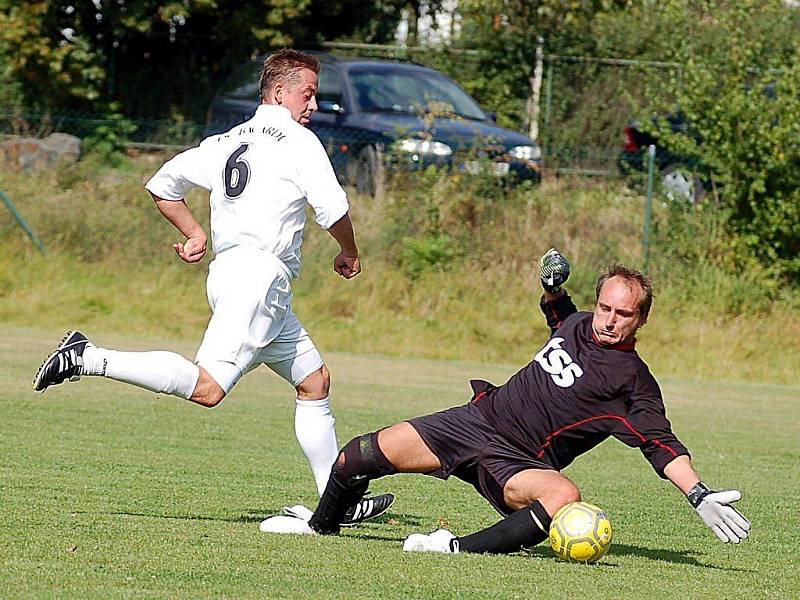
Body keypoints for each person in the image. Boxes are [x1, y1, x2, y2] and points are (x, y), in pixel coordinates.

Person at [33, 49, 393, 526]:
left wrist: (194, 233)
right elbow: (332, 210)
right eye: (308, 94)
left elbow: (162, 185)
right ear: (279, 93)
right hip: (258, 281)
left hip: (239, 276)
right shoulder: (299, 142)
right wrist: (349, 251)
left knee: (314, 381)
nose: (314, 106)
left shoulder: (224, 140)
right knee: (208, 388)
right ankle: (87, 356)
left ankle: (335, 500)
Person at [260, 249, 751, 553]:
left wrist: (698, 493)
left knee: (564, 496)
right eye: (604, 307)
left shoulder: (633, 382)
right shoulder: (580, 322)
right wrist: (551, 285)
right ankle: (320, 529)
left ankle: (451, 547)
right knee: (355, 456)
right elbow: (559, 314)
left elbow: (660, 444)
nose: (608, 320)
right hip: (476, 419)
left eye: (623, 314)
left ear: (641, 321)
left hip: (518, 464)